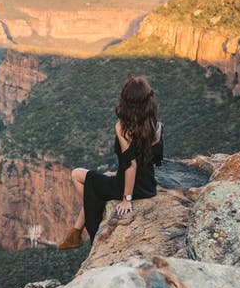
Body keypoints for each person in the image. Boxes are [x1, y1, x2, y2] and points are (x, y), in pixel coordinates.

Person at [58, 75, 163, 248]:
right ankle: (75, 232)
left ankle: (85, 221)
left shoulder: (123, 128)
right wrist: (118, 173)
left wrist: (126, 199)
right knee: (105, 175)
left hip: (128, 187)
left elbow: (131, 165)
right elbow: (155, 161)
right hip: (148, 186)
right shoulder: (157, 126)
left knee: (77, 174)